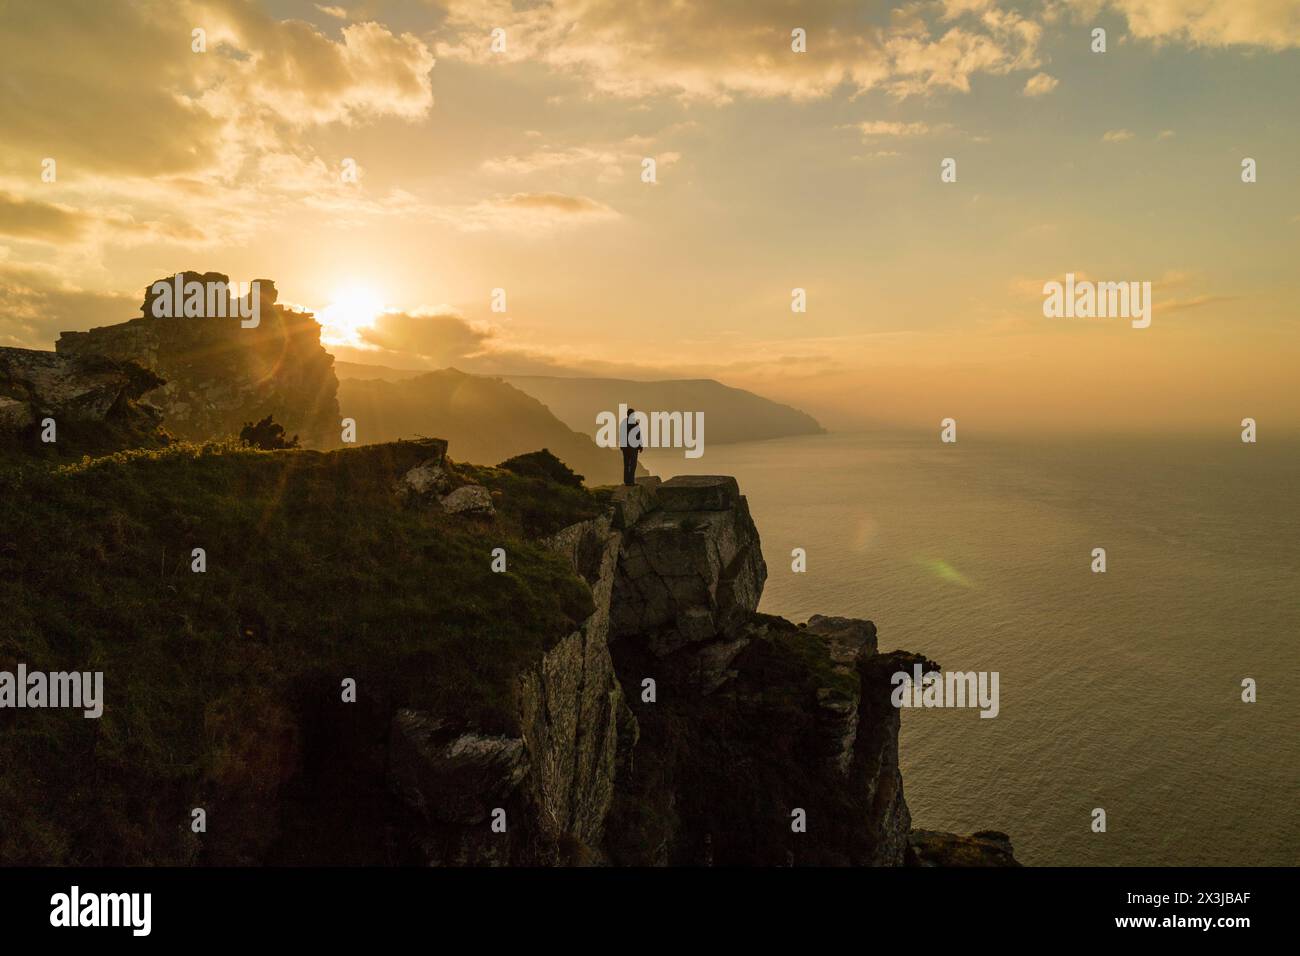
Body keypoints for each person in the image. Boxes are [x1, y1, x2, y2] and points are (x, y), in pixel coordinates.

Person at [619, 407, 642, 485]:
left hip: (627, 448)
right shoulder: (634, 423)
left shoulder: (624, 423)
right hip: (632, 448)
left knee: (628, 464)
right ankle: (630, 481)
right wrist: (640, 446)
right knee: (632, 464)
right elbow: (638, 436)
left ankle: (627, 481)